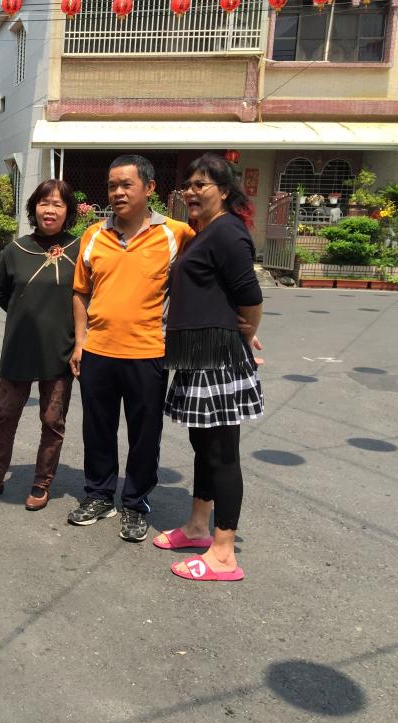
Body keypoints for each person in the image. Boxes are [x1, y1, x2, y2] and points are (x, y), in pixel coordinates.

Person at [68, 155, 195, 541]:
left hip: (149, 352)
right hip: (98, 351)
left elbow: (204, 279)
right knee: (97, 429)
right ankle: (99, 495)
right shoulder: (93, 235)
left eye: (126, 184)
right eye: (112, 186)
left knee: (144, 435)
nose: (118, 192)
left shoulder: (177, 234)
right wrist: (80, 342)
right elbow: (80, 292)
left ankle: (136, 503)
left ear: (149, 188)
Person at [152, 153, 264, 582]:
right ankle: (198, 526)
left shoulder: (228, 232)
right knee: (203, 446)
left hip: (218, 355)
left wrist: (245, 334)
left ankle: (223, 554)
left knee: (222, 454)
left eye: (201, 184)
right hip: (197, 353)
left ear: (225, 190)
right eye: (188, 185)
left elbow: (250, 297)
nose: (191, 192)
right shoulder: (206, 231)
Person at [0, 179, 79, 510]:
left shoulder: (81, 250)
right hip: (18, 348)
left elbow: (87, 298)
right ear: (33, 208)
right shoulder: (14, 251)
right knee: (5, 416)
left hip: (60, 350)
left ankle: (42, 482)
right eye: (44, 203)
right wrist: (25, 317)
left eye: (58, 204)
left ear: (68, 211)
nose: (50, 210)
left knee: (52, 421)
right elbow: (0, 292)